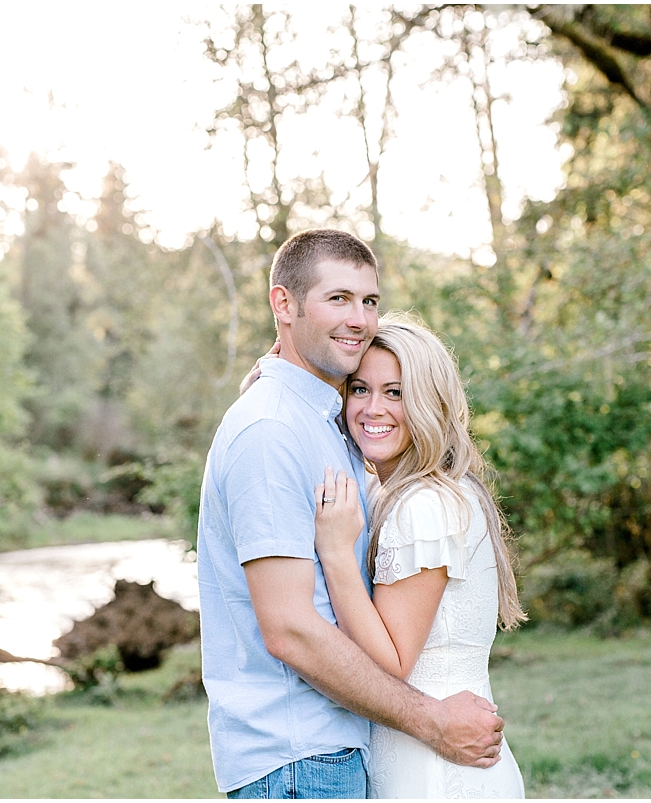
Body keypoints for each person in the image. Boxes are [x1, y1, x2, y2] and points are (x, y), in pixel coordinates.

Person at [196, 229, 505, 799]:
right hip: (300, 762)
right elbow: (290, 628)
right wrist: (429, 720)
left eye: (369, 301)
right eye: (338, 298)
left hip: (339, 753)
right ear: (282, 304)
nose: (359, 318)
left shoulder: (317, 420)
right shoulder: (272, 428)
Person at [311, 312, 527, 798]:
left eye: (395, 392)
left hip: (435, 773)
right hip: (428, 759)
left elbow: (389, 664)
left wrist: (336, 554)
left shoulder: (425, 506)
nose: (373, 408)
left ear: (429, 402)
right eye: (360, 389)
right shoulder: (419, 491)